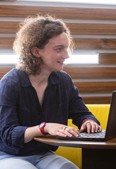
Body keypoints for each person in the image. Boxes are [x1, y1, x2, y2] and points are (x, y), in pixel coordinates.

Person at [0, 15, 102, 169]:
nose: (66, 55)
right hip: (8, 155)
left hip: (44, 155)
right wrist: (44, 128)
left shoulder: (63, 81)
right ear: (36, 52)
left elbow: (81, 113)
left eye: (66, 48)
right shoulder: (10, 83)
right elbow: (8, 134)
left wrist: (89, 122)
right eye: (59, 49)